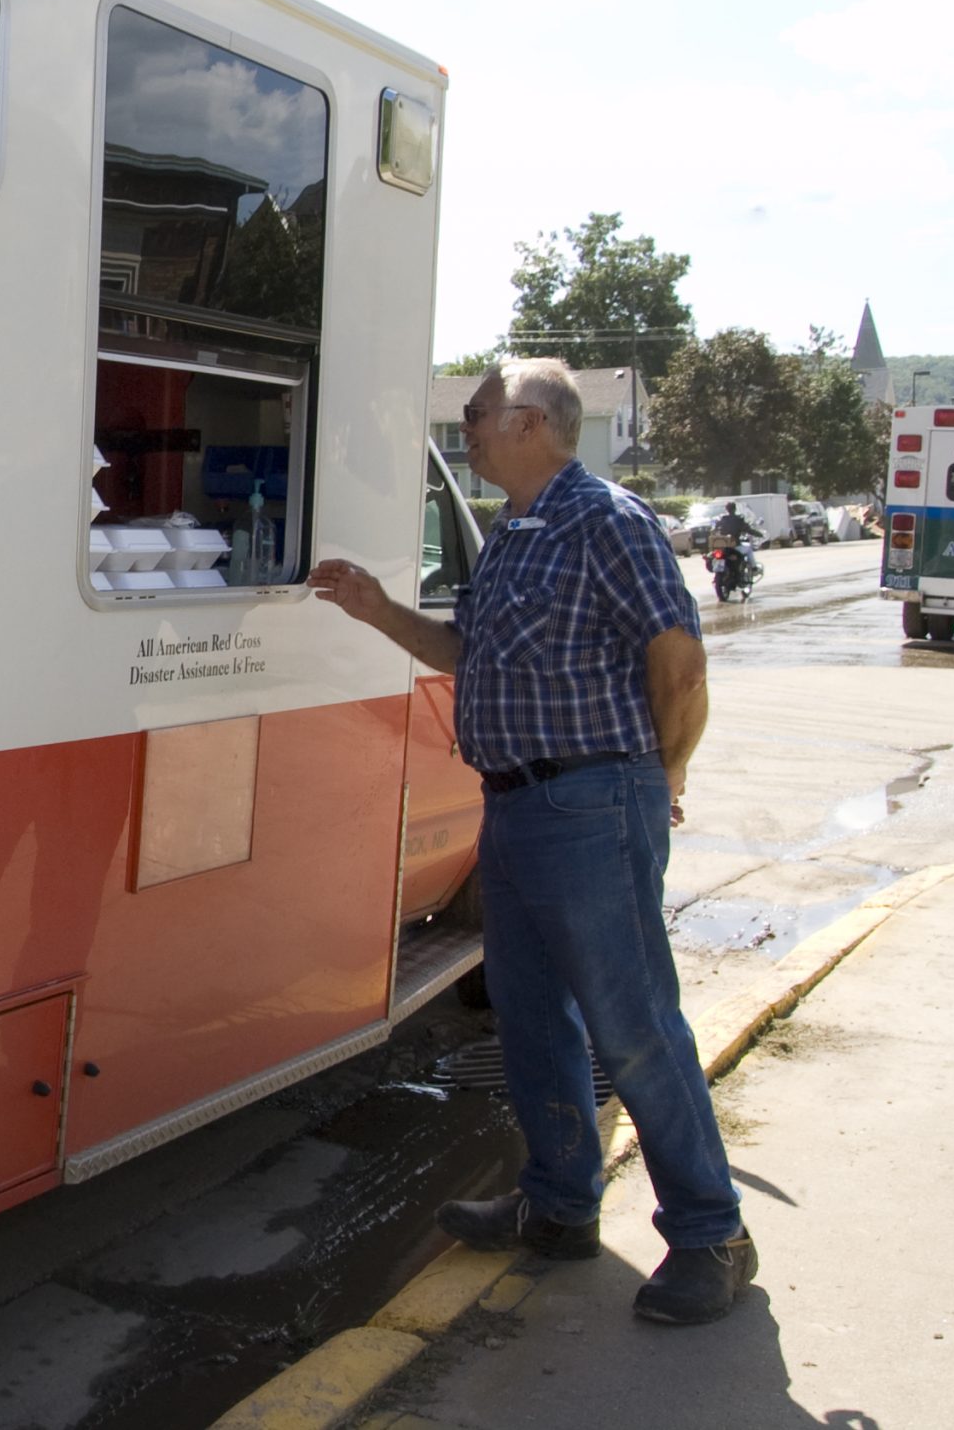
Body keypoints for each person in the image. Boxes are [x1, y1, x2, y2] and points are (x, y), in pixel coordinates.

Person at [307, 360, 756, 1325]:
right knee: (531, 1020)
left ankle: (712, 1233)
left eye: (472, 414)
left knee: (633, 1026)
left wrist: (661, 774)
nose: (462, 427)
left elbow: (678, 665)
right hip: (512, 807)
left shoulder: (610, 521)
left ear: (528, 421)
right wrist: (377, 611)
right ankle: (558, 1207)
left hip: (593, 801)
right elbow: (467, 656)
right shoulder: (516, 533)